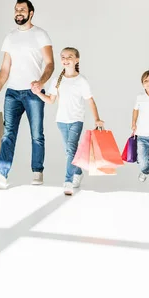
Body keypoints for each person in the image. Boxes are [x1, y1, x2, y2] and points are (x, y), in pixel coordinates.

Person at [0, 0, 54, 189]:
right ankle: (1, 175)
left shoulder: (41, 35)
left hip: (33, 93)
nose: (18, 12)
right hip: (12, 93)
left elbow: (50, 63)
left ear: (31, 13)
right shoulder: (10, 37)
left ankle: (37, 171)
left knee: (37, 134)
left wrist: (40, 82)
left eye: (22, 9)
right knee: (7, 134)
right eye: (16, 10)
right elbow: (5, 67)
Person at [32, 47, 104, 196]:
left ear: (77, 60)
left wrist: (97, 119)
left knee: (71, 149)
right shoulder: (57, 81)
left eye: (69, 57)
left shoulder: (82, 80)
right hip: (61, 121)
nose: (66, 59)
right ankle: (77, 172)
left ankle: (68, 181)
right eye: (63, 57)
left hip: (76, 120)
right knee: (70, 151)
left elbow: (90, 101)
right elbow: (51, 100)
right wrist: (38, 93)